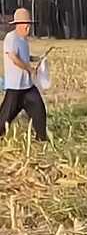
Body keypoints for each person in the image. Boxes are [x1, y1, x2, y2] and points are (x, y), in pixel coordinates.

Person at [0, 8, 48, 141]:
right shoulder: (11, 38)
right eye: (26, 24)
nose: (28, 27)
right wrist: (29, 69)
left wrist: (36, 59)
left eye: (29, 24)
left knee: (39, 110)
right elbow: (14, 58)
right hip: (15, 87)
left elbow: (25, 57)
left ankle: (41, 138)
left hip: (27, 86)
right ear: (18, 24)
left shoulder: (24, 41)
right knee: (5, 117)